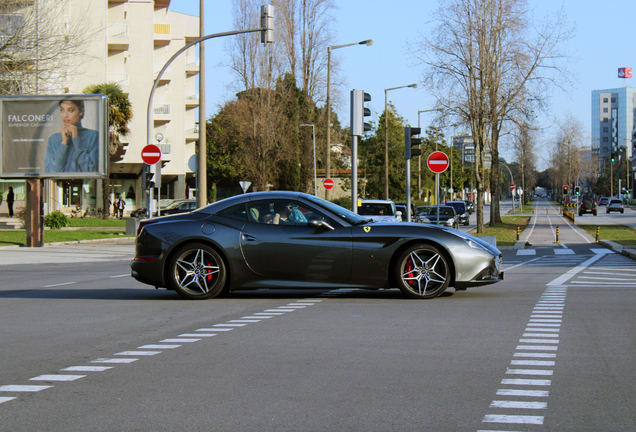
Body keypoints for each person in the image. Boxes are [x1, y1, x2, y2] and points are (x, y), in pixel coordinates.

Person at [45, 100, 99, 173]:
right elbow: (51, 172)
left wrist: (76, 139)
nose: (65, 115)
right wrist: (63, 143)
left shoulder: (93, 136)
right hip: (59, 183)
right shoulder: (54, 139)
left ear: (81, 112)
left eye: (70, 110)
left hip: (84, 183)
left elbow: (89, 170)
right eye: (62, 110)